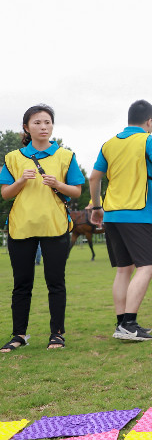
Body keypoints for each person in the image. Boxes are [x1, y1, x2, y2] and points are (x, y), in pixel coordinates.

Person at [89, 100, 152, 342]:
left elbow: (94, 178)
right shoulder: (149, 140)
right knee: (147, 266)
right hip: (137, 213)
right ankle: (129, 324)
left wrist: (97, 207)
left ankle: (122, 323)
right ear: (149, 122)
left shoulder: (109, 143)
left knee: (124, 269)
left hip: (112, 214)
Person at [1, 105, 84, 352]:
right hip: (21, 227)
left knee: (55, 282)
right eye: (37, 123)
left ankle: (57, 334)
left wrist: (58, 183)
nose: (43, 127)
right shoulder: (13, 158)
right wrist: (20, 181)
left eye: (47, 122)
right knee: (21, 284)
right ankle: (19, 335)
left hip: (55, 226)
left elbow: (76, 190)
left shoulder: (66, 156)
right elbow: (5, 194)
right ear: (26, 127)